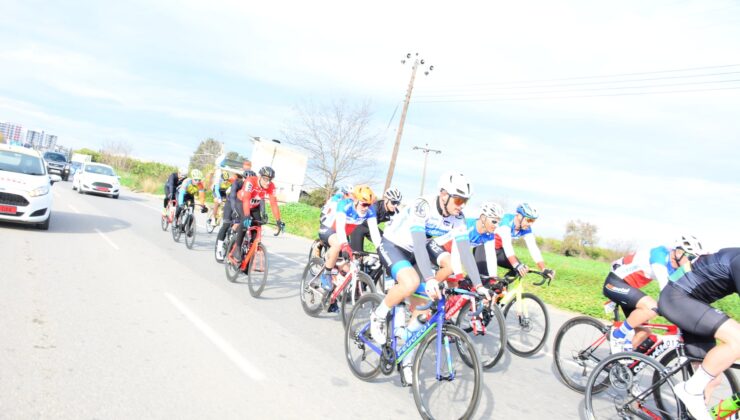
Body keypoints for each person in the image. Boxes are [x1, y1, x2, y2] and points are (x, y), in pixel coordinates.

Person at [371, 172, 490, 384]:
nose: (462, 205)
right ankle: (378, 315)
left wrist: (479, 286)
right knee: (412, 282)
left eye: (466, 201)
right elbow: (417, 242)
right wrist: (430, 278)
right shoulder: (423, 205)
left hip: (418, 250)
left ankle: (406, 356)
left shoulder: (458, 217)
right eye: (459, 199)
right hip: (393, 244)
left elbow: (464, 251)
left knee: (423, 306)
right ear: (443, 194)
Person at [659, 246, 740, 420]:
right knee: (738, 340)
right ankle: (690, 391)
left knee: (712, 379)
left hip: (693, 303)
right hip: (678, 299)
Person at [604, 235, 703, 353]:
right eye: (690, 257)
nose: (690, 261)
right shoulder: (659, 256)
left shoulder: (676, 267)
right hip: (615, 282)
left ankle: (618, 362)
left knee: (644, 333)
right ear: (678, 252)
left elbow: (685, 289)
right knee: (652, 307)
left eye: (693, 258)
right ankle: (617, 335)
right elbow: (666, 290)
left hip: (630, 290)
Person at [318, 185, 383, 304]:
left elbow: (374, 232)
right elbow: (340, 228)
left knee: (348, 270)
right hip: (329, 228)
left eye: (369, 205)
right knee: (338, 245)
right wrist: (344, 245)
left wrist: (380, 249)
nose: (366, 208)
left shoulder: (370, 210)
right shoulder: (345, 205)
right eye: (364, 204)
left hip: (342, 233)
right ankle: (326, 273)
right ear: (356, 200)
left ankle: (332, 298)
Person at [429, 201, 504, 285]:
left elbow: (491, 257)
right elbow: (456, 253)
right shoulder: (466, 227)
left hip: (450, 254)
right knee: (452, 269)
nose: (497, 225)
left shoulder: (489, 235)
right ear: (483, 218)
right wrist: (459, 277)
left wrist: (493, 279)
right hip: (437, 246)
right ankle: (430, 288)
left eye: (499, 222)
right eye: (494, 221)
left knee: (454, 289)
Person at [230, 166, 285, 263]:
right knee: (245, 221)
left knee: (257, 229)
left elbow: (273, 203)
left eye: (270, 180)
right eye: (265, 179)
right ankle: (237, 248)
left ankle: (249, 256)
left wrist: (278, 220)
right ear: (260, 177)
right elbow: (246, 199)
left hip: (254, 206)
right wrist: (246, 215)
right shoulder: (250, 181)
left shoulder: (271, 186)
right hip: (242, 202)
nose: (268, 182)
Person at [487, 203, 555, 280]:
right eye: (529, 220)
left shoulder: (525, 228)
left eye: (533, 221)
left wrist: (543, 268)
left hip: (498, 251)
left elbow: (533, 247)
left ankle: (501, 289)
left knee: (520, 270)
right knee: (488, 281)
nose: (530, 224)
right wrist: (516, 265)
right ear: (519, 216)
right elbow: (507, 246)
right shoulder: (506, 222)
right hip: (484, 249)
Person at [348, 186, 402, 253]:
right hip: (358, 227)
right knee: (356, 255)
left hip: (371, 228)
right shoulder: (375, 207)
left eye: (398, 203)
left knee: (387, 247)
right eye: (393, 202)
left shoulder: (395, 212)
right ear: (386, 200)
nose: (396, 205)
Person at [214, 169, 251, 261]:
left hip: (241, 205)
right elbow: (233, 198)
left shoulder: (251, 187)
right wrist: (235, 210)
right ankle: (218, 249)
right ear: (243, 179)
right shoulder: (237, 183)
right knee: (226, 224)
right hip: (231, 203)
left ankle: (235, 241)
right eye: (246, 180)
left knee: (242, 225)